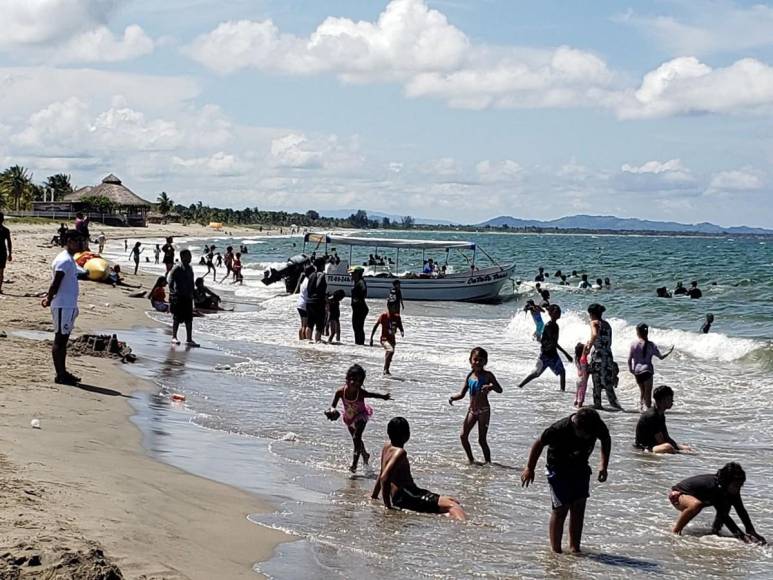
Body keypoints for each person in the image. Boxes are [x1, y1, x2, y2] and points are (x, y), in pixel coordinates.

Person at [521, 408, 611, 554]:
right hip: (558, 469)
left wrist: (603, 465)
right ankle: (556, 551)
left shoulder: (596, 424)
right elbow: (539, 443)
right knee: (561, 509)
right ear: (577, 426)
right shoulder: (559, 429)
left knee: (579, 507)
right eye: (585, 434)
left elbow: (606, 439)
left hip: (581, 467)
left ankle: (575, 548)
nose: (588, 437)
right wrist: (530, 468)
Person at [371, 417, 465, 520]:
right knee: (453, 506)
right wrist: (388, 506)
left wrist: (374, 496)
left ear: (389, 433)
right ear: (407, 435)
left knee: (451, 500)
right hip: (407, 496)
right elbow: (384, 478)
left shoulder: (386, 447)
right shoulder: (400, 452)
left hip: (409, 494)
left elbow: (381, 472)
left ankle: (447, 517)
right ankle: (465, 527)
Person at [670, 462, 766, 544]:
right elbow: (724, 516)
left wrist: (751, 530)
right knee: (696, 505)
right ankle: (675, 531)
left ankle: (715, 531)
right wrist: (741, 536)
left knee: (726, 504)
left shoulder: (731, 489)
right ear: (726, 482)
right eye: (737, 485)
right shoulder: (715, 487)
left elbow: (741, 510)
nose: (739, 488)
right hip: (678, 496)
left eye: (741, 484)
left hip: (700, 497)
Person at [327, 364, 391, 473]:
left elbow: (372, 395)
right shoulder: (340, 392)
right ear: (347, 379)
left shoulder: (360, 393)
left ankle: (354, 465)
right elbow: (333, 405)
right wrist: (332, 410)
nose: (355, 383)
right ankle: (365, 455)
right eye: (353, 380)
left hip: (361, 415)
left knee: (357, 436)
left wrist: (384, 397)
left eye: (359, 381)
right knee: (356, 440)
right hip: (349, 417)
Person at [41, 230, 85, 385]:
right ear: (70, 241)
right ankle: (60, 375)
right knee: (60, 339)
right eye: (78, 240)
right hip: (62, 305)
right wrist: (49, 298)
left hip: (68, 305)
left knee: (64, 339)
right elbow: (56, 283)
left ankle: (63, 372)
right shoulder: (64, 260)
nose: (82, 243)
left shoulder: (70, 259)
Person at [449, 347, 502, 464]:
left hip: (484, 411)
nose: (478, 362)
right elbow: (462, 394)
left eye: (481, 360)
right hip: (472, 411)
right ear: (470, 360)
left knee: (482, 440)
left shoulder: (488, 375)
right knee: (463, 436)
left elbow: (500, 389)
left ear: (485, 362)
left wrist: (491, 386)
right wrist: (453, 398)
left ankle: (488, 463)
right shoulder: (470, 376)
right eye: (475, 359)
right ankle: (471, 460)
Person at [519, 304, 573, 391]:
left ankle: (562, 392)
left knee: (562, 372)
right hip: (545, 355)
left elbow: (554, 343)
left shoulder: (556, 326)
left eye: (559, 312)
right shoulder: (548, 326)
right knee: (536, 374)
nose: (558, 314)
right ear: (551, 314)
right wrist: (566, 354)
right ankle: (520, 386)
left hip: (553, 354)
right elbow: (553, 343)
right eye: (556, 312)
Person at [628, 323, 674, 410]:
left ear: (637, 332)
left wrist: (631, 369)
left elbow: (629, 359)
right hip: (647, 371)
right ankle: (648, 410)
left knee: (642, 391)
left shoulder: (633, 344)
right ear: (647, 333)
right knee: (648, 393)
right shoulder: (651, 345)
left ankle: (641, 408)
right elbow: (661, 357)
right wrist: (669, 352)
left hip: (637, 371)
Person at [585, 303, 621, 410]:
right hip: (608, 354)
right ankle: (614, 403)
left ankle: (597, 404)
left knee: (596, 379)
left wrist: (588, 347)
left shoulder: (594, 322)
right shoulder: (607, 324)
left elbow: (595, 334)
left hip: (598, 355)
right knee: (607, 381)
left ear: (592, 314)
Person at [635, 385, 686, 454]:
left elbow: (666, 437)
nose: (672, 401)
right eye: (670, 398)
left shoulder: (660, 414)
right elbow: (661, 441)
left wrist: (678, 447)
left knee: (686, 447)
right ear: (662, 400)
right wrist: (679, 451)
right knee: (668, 447)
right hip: (644, 447)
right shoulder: (652, 416)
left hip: (655, 444)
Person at [168, 249, 198, 347]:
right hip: (179, 296)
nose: (190, 258)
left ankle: (189, 339)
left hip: (188, 297)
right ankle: (174, 337)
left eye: (190, 256)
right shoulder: (177, 267)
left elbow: (192, 282)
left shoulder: (190, 268)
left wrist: (193, 293)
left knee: (189, 319)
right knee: (177, 318)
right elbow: (170, 280)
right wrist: (173, 292)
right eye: (188, 256)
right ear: (182, 257)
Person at [370, 302, 404, 375]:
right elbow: (375, 326)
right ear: (388, 307)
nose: (393, 309)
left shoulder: (397, 317)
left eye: (394, 307)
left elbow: (400, 326)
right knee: (390, 350)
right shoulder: (384, 316)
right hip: (384, 339)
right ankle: (385, 370)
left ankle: (386, 370)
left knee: (390, 354)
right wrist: (371, 338)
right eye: (391, 307)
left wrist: (402, 331)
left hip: (392, 339)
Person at [304, 259, 328, 342]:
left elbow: (309, 289)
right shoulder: (322, 275)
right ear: (321, 265)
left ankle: (308, 342)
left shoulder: (311, 275)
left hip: (309, 301)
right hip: (318, 302)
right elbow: (319, 287)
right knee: (319, 324)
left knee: (309, 324)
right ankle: (317, 342)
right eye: (324, 264)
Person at [351, 266, 368, 345]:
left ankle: (360, 344)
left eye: (353, 273)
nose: (351, 275)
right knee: (356, 327)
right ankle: (358, 344)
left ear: (357, 274)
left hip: (360, 308)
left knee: (358, 327)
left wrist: (358, 298)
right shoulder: (356, 282)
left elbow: (364, 290)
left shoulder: (361, 282)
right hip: (357, 308)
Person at [574, 342, 589, 408]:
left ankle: (575, 402)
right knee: (582, 393)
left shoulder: (576, 359)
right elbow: (584, 353)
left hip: (578, 378)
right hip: (583, 379)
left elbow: (582, 353)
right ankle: (579, 405)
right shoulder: (583, 359)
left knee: (577, 392)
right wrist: (587, 345)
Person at [0, 212, 12, 294]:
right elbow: (9, 242)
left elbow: (9, 242)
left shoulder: (5, 230)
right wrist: (10, 253)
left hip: (2, 252)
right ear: (3, 220)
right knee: (1, 272)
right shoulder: (5, 230)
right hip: (2, 252)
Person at [296, 268, 309, 340]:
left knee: (302, 325)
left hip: (300, 304)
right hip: (305, 304)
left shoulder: (303, 281)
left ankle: (300, 339)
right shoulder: (308, 281)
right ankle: (304, 340)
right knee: (305, 325)